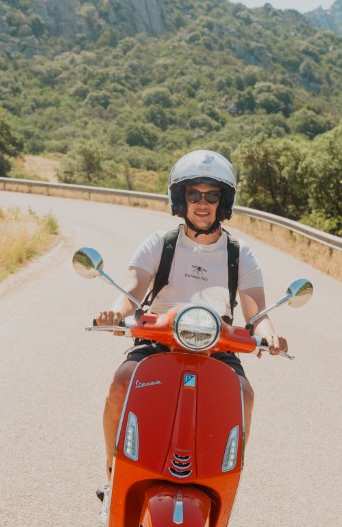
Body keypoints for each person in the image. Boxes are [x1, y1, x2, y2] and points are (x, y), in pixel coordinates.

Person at [95, 149, 288, 503]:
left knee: (244, 396)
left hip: (217, 346)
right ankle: (112, 470)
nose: (202, 203)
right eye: (193, 194)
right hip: (158, 339)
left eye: (212, 195)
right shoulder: (160, 243)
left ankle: (223, 485)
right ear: (180, 199)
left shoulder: (239, 253)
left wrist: (268, 334)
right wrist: (113, 313)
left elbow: (256, 310)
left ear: (223, 201)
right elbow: (131, 291)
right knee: (122, 382)